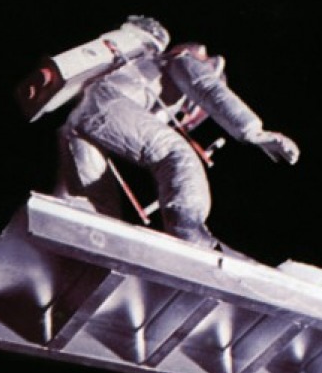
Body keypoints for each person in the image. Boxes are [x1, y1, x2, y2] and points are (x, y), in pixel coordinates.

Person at [53, 16, 299, 250]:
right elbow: (207, 89)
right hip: (108, 103)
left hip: (80, 119)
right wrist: (254, 131)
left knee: (92, 203)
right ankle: (188, 232)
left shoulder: (150, 80)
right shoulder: (182, 61)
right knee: (177, 154)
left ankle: (76, 245)